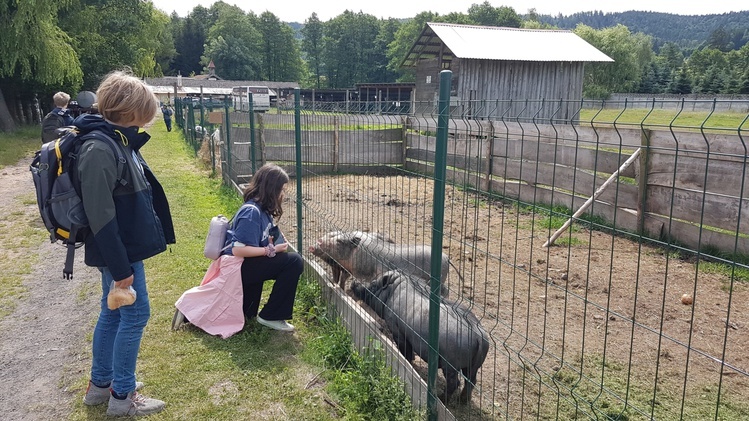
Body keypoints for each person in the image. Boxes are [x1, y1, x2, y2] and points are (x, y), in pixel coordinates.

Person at [75, 70, 176, 416]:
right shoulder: (100, 148)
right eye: (145, 110)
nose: (149, 117)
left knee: (112, 312)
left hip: (121, 248)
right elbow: (100, 215)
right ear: (129, 110)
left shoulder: (115, 139)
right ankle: (122, 395)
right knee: (134, 316)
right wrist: (121, 268)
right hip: (119, 251)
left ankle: (101, 386)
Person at [224, 163, 303, 332]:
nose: (282, 194)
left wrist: (272, 243)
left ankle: (191, 312)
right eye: (281, 190)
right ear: (271, 189)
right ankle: (272, 316)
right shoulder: (251, 212)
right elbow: (238, 249)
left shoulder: (263, 210)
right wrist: (271, 250)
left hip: (246, 266)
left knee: (246, 314)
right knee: (294, 261)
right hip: (237, 268)